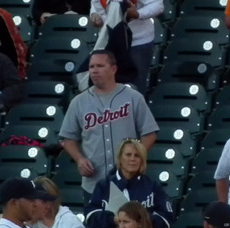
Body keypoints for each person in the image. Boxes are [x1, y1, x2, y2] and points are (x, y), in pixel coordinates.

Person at [59, 50, 159, 199]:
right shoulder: (78, 102)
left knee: (129, 222)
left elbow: (150, 134)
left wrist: (134, 158)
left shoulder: (133, 97)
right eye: (91, 67)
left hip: (129, 181)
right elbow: (67, 138)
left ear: (113, 69)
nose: (94, 70)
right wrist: (79, 159)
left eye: (100, 66)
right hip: (94, 181)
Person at [84, 137, 173, 228]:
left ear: (142, 160)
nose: (132, 159)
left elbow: (167, 221)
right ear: (120, 158)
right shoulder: (104, 185)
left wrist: (140, 221)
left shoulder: (153, 187)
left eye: (137, 156)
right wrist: (113, 219)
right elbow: (90, 216)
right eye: (128, 155)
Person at [89, 0, 163, 92]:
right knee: (107, 87)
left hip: (138, 42)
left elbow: (158, 5)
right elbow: (96, 6)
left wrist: (138, 14)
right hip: (109, 41)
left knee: (135, 88)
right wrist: (95, 15)